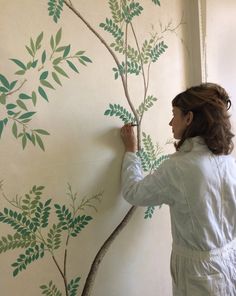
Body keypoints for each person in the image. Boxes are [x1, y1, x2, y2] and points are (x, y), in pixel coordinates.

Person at [120, 83, 236, 296]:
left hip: (200, 276)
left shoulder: (180, 167)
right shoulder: (229, 162)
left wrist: (130, 152)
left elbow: (133, 192)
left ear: (189, 118)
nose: (171, 122)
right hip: (230, 263)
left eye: (175, 115)